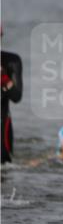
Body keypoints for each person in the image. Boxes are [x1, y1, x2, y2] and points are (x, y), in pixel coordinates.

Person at [1, 29, 23, 164]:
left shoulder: (12, 61)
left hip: (3, 127)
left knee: (4, 168)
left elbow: (17, 97)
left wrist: (3, 78)